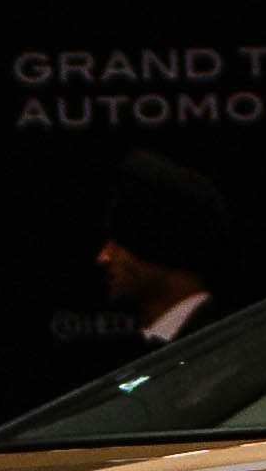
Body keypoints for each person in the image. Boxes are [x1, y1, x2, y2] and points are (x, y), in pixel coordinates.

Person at [97, 148, 227, 345]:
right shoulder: (152, 347)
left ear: (162, 249)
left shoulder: (216, 347)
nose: (103, 257)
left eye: (121, 243)